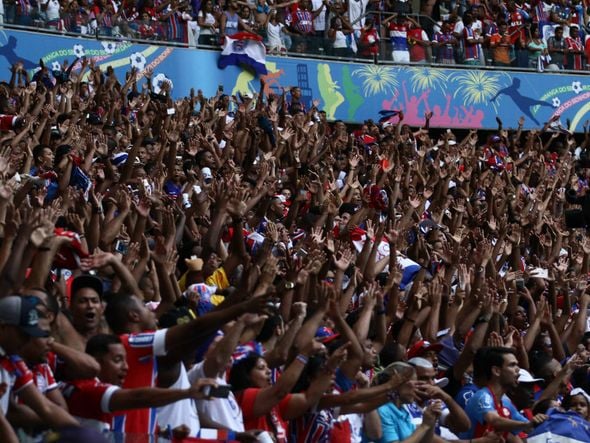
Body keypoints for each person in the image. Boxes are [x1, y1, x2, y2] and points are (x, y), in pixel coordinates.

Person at [464, 347, 547, 439]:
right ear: (496, 371)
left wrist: (540, 421)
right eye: (512, 365)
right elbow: (494, 420)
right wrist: (528, 424)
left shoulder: (506, 402)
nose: (518, 369)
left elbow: (528, 428)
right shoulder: (482, 396)